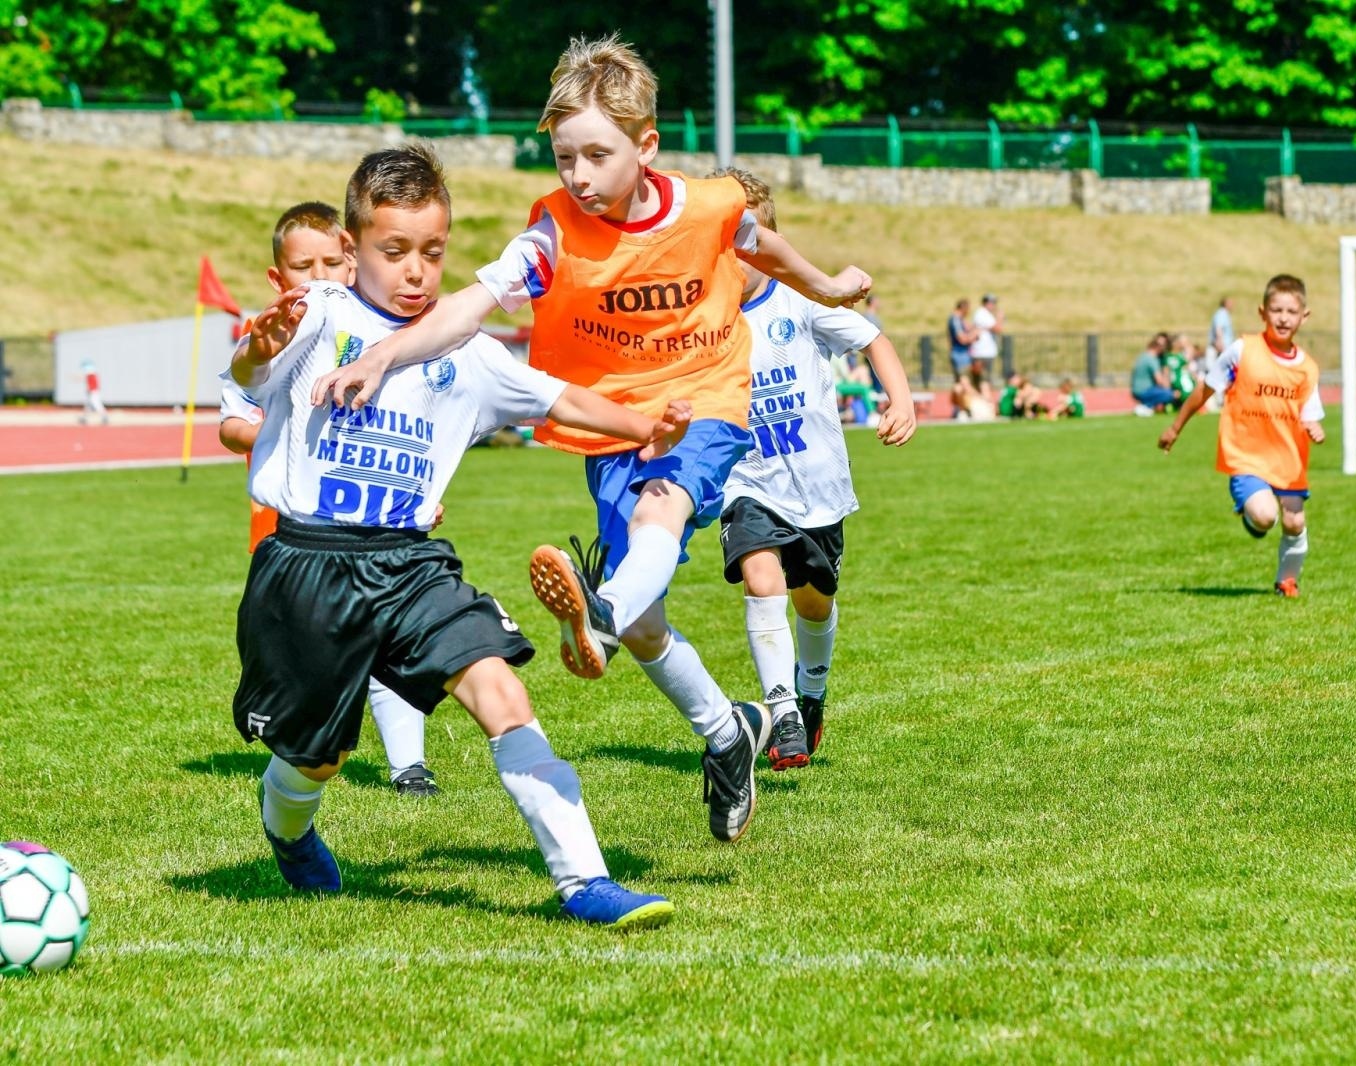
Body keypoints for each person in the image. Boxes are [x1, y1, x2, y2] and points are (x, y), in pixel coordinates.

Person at [305, 35, 872, 845]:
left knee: (661, 513)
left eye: (597, 156)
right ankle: (723, 732)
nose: (578, 175)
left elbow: (760, 243)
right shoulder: (554, 232)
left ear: (645, 147)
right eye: (565, 156)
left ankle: (600, 611)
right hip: (615, 426)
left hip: (702, 404)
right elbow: (474, 304)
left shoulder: (708, 206)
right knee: (649, 626)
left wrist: (826, 285)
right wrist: (388, 349)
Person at [227, 143, 687, 928]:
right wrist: (256, 352)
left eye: (433, 252)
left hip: (410, 565)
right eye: (394, 251)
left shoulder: (465, 351)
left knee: (503, 692)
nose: (416, 271)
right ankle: (290, 829)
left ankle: (585, 881)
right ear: (351, 248)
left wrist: (649, 424)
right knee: (318, 758)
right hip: (307, 565)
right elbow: (247, 374)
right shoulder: (316, 317)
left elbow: (561, 400)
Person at [217, 201, 440, 798]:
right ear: (277, 278)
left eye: (330, 262)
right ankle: (298, 743)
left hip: (379, 521)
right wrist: (287, 427)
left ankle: (409, 766)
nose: (318, 276)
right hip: (292, 530)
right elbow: (234, 420)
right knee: (319, 654)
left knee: (389, 635)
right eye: (301, 265)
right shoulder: (271, 341)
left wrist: (420, 494)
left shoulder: (385, 335)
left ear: (351, 260)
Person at [713, 167, 915, 770]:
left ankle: (812, 691)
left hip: (818, 490)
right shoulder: (705, 318)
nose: (732, 260)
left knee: (814, 604)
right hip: (748, 484)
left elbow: (873, 338)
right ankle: (783, 714)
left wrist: (900, 399)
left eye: (743, 245)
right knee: (760, 577)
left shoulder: (800, 305)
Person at [1158, 274, 1325, 598]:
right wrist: (1175, 427)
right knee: (1265, 518)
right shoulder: (1242, 351)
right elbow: (1205, 389)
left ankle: (1286, 580)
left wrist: (1315, 427)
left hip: (1287, 460)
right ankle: (1252, 515)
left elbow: (1310, 414)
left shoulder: (1308, 368)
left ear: (1304, 316)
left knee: (1293, 522)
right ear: (1262, 312)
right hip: (1246, 456)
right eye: (1276, 310)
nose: (1283, 318)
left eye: (1291, 312)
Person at [1130, 333, 1176, 415]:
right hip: (1144, 391)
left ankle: (1148, 407)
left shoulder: (1143, 356)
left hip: (1136, 391)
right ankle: (1146, 406)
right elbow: (1160, 381)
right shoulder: (1152, 359)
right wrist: (1166, 371)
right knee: (1170, 394)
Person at [971, 293, 1003, 385]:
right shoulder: (982, 314)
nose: (994, 305)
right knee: (983, 380)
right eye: (992, 303)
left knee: (984, 379)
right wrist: (1000, 318)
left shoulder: (986, 314)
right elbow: (998, 328)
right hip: (982, 352)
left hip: (986, 351)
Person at [948, 298, 978, 381]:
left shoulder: (959, 319)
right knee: (964, 381)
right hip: (960, 354)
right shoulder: (956, 320)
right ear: (964, 308)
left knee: (961, 382)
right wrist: (974, 336)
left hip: (961, 354)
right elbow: (962, 339)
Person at [79, 359, 108, 425]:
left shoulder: (91, 374)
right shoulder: (91, 374)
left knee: (96, 404)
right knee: (88, 406)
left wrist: (90, 390)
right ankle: (84, 418)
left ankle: (104, 417)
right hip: (91, 392)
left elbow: (92, 385)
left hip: (93, 392)